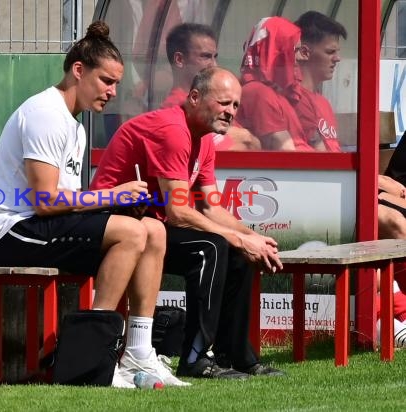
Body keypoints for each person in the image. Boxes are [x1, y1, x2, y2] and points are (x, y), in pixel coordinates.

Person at [0, 21, 188, 389]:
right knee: (129, 232)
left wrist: (122, 206)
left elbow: (72, 204)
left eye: (117, 84)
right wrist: (114, 196)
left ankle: (138, 352)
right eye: (106, 81)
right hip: (12, 231)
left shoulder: (74, 125)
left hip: (44, 226)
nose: (112, 92)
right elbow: (44, 202)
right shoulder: (46, 112)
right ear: (79, 71)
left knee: (152, 230)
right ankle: (92, 357)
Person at [91, 66, 285, 379]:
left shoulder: (205, 139)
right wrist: (236, 238)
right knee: (211, 247)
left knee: (238, 252)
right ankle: (195, 358)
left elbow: (212, 208)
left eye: (236, 105)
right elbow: (178, 212)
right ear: (194, 97)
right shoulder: (173, 129)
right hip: (112, 225)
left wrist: (253, 238)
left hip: (150, 227)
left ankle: (235, 355)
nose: (230, 112)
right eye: (224, 103)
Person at [293, 10, 406, 345]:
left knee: (391, 214)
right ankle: (397, 317)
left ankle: (396, 314)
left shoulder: (320, 103)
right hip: (312, 203)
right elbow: (307, 165)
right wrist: (376, 184)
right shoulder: (293, 100)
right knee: (392, 221)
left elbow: (331, 160)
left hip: (339, 194)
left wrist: (378, 183)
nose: (338, 58)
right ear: (304, 51)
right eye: (330, 51)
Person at [163, 22, 260, 150]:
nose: (214, 65)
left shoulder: (210, 102)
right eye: (205, 57)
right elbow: (230, 149)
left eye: (215, 57)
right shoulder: (177, 107)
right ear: (180, 60)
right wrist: (245, 138)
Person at [235, 17, 313, 151]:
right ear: (275, 53)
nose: (301, 58)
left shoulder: (273, 92)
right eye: (294, 50)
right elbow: (285, 151)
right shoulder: (258, 92)